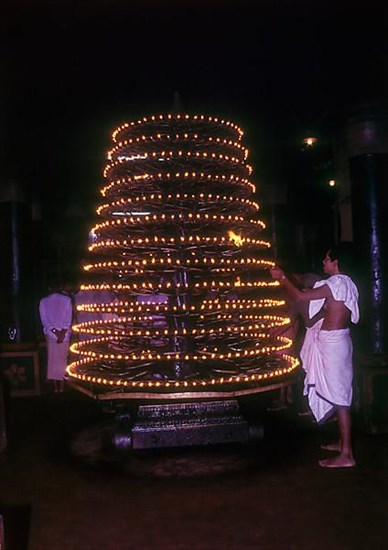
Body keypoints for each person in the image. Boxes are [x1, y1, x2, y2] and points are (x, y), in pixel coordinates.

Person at [270, 246, 360, 468]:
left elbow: (301, 296)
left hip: (334, 345)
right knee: (340, 394)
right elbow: (314, 317)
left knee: (341, 398)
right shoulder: (346, 284)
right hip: (337, 342)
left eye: (327, 259)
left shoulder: (335, 284)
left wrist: (282, 278)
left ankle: (347, 454)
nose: (323, 262)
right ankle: (342, 443)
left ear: (336, 262)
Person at [39, 283, 73, 393]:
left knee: (53, 360)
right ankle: (62, 387)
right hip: (64, 335)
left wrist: (55, 332)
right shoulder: (67, 300)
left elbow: (44, 321)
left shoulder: (43, 301)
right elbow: (68, 319)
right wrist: (62, 333)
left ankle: (56, 387)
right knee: (62, 359)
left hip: (51, 334)